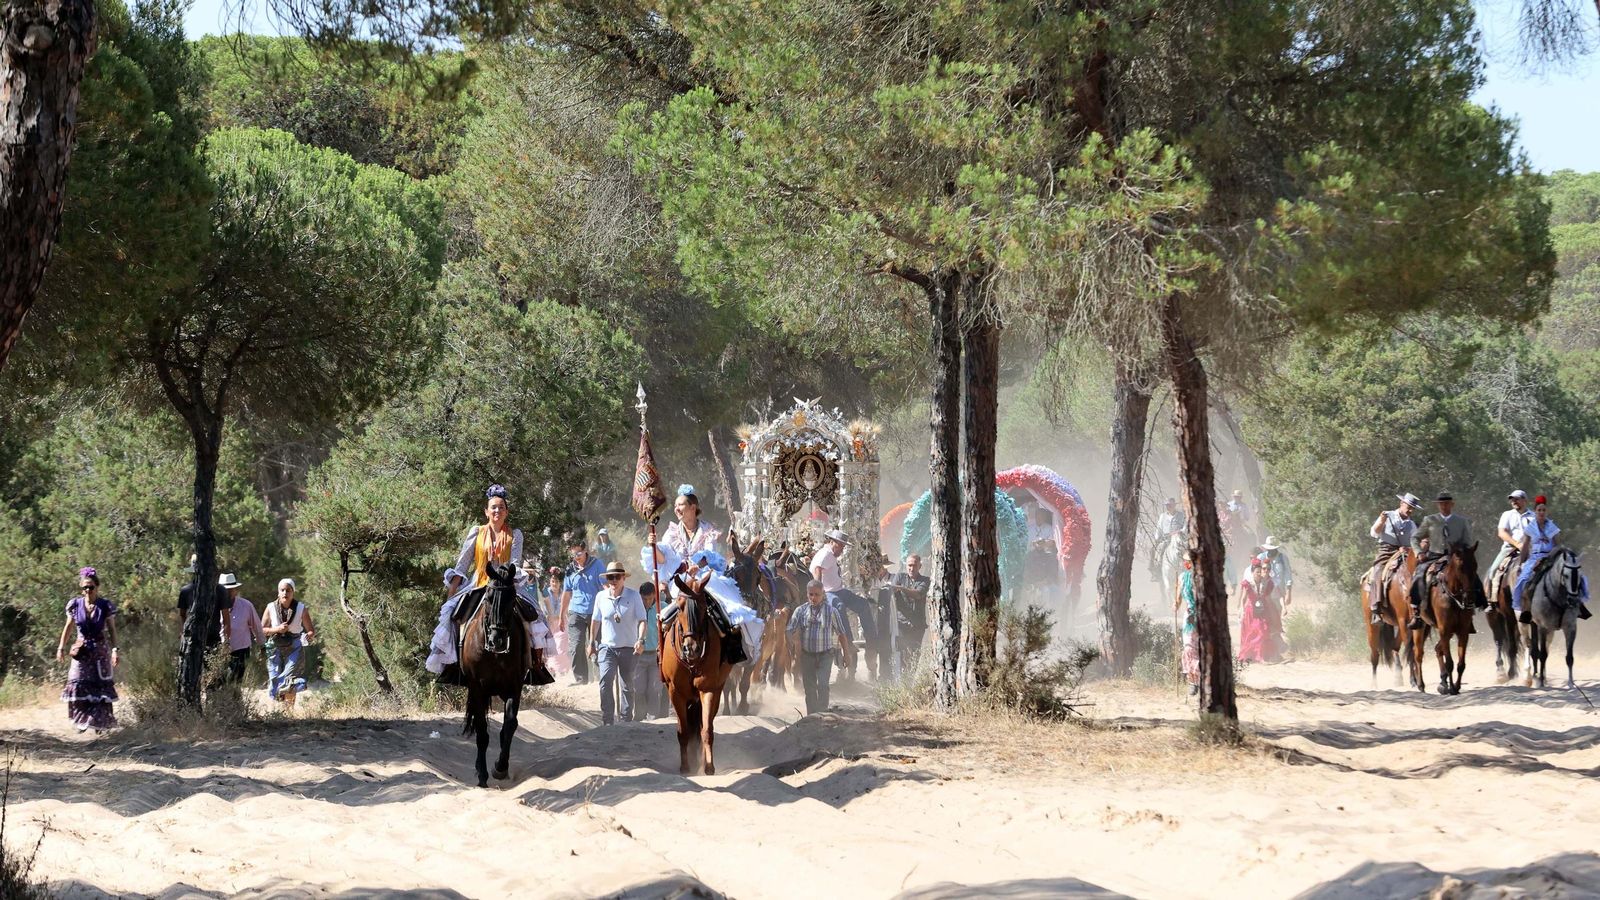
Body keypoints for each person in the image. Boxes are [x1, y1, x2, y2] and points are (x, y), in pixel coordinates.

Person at [427, 485, 526, 684]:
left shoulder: (515, 534)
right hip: (479, 584)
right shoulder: (477, 532)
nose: (497, 511)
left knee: (531, 616)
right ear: (486, 511)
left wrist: (510, 582)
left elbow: (515, 564)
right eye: (493, 507)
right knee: (453, 616)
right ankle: (453, 665)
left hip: (506, 586)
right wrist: (452, 593)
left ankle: (534, 664)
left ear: (506, 512)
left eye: (501, 507)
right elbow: (463, 564)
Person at [810, 529, 878, 679]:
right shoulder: (826, 554)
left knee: (863, 604)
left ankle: (871, 639)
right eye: (839, 545)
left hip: (838, 591)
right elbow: (817, 569)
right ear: (831, 542)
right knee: (839, 605)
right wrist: (818, 592)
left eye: (843, 546)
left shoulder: (829, 554)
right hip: (828, 593)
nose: (841, 549)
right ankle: (849, 642)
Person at [57, 567, 118, 732]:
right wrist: (61, 647)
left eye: (91, 587)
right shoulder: (75, 605)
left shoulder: (105, 605)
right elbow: (68, 627)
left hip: (100, 652)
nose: (88, 590)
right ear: (81, 589)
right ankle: (82, 721)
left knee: (100, 687)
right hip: (82, 652)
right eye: (85, 587)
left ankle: (99, 723)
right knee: (78, 682)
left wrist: (115, 650)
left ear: (97, 587)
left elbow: (112, 630)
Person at [1512, 496, 1591, 623]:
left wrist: (1554, 557)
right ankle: (1526, 609)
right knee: (1523, 579)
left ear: (1547, 511)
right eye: (1539, 510)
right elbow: (1525, 548)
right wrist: (1520, 565)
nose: (1541, 512)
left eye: (1544, 510)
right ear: (1535, 511)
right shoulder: (1530, 528)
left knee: (1574, 575)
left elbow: (1558, 546)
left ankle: (1579, 605)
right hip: (1535, 558)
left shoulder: (1552, 527)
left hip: (1551, 556)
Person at [589, 561, 647, 725]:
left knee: (627, 684)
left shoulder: (633, 596)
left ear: (623, 578)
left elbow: (642, 620)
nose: (613, 580)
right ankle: (607, 719)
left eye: (617, 577)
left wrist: (640, 640)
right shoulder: (601, 596)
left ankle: (625, 720)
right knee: (605, 680)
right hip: (607, 647)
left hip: (629, 647)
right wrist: (591, 642)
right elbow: (595, 621)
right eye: (610, 577)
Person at [1409, 492, 1476, 631]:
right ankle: (1416, 612)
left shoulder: (1462, 521)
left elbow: (1468, 541)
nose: (1444, 506)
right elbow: (1415, 538)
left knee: (1471, 575)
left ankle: (1476, 607)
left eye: (1447, 503)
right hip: (1435, 555)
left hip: (1456, 557)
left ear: (1452, 504)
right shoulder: (1429, 520)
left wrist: (1461, 552)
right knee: (1419, 574)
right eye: (1441, 504)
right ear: (1438, 505)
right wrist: (1419, 552)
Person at [786, 580, 852, 714]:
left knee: (822, 684)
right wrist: (792, 647)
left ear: (823, 594)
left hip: (825, 655)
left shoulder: (831, 611)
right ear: (807, 594)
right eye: (811, 594)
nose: (813, 598)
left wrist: (846, 654)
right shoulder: (800, 611)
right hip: (807, 655)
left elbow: (841, 633)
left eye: (817, 594)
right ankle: (812, 716)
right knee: (809, 688)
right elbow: (789, 630)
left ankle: (822, 714)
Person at [263, 578, 316, 711]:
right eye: (282, 590)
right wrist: (277, 629)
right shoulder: (270, 607)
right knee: (274, 678)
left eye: (288, 590)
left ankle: (288, 711)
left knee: (290, 678)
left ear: (293, 592)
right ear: (278, 592)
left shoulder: (301, 608)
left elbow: (310, 630)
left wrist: (308, 636)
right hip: (274, 646)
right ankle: (277, 710)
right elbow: (262, 629)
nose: (285, 593)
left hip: (294, 645)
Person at [1367, 493, 1420, 625]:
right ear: (1401, 504)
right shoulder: (1387, 515)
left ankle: (1420, 608)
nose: (1410, 510)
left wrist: (1408, 549)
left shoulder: (1412, 524)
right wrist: (1381, 521)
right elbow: (1374, 532)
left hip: (1405, 553)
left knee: (1418, 571)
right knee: (1378, 571)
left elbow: (1414, 542)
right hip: (1386, 551)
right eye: (1408, 507)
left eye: (1412, 508)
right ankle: (1376, 607)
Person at [560, 535, 606, 685]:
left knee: (599, 644)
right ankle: (581, 679)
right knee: (576, 646)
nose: (576, 557)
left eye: (579, 553)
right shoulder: (569, 569)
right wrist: (561, 616)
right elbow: (567, 592)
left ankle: (602, 677)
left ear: (585, 551)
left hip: (596, 612)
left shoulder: (597, 564)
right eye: (573, 554)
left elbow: (605, 586)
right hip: (576, 612)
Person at [218, 573, 264, 684]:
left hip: (240, 650)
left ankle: (235, 695)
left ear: (236, 590)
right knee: (219, 681)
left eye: (230, 590)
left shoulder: (246, 605)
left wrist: (262, 646)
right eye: (224, 590)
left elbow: (257, 626)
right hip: (218, 650)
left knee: (235, 681)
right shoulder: (212, 606)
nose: (228, 593)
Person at [1237, 557, 1283, 664]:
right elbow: (1243, 598)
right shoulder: (1247, 583)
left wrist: (1272, 610)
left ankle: (1261, 656)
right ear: (1252, 572)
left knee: (1263, 631)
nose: (1258, 574)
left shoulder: (1266, 583)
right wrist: (1241, 609)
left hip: (1262, 611)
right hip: (1251, 612)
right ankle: (1254, 656)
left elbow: (1268, 597)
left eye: (1260, 571)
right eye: (1256, 572)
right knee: (1253, 633)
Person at [1488, 490, 1532, 600]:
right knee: (1493, 570)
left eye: (1517, 499)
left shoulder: (1534, 516)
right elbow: (1502, 532)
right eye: (1512, 499)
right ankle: (1491, 601)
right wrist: (1517, 544)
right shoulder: (1507, 515)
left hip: (1531, 550)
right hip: (1510, 550)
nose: (1514, 501)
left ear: (1524, 500)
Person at [892, 554, 931, 669]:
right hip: (901, 624)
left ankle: (911, 678)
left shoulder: (925, 580)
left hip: (917, 625)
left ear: (920, 566)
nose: (911, 568)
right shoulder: (900, 577)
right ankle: (900, 677)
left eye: (914, 565)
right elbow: (892, 591)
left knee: (914, 655)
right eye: (909, 565)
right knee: (900, 653)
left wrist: (901, 588)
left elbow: (918, 594)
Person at [175, 554, 221, 649]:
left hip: (212, 638)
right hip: (193, 637)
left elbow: (182, 614)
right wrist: (185, 631)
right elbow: (182, 614)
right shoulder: (185, 591)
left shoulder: (218, 590)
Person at [635, 581, 666, 719]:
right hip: (638, 655)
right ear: (640, 596)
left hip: (656, 655)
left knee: (654, 688)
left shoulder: (663, 608)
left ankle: (653, 718)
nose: (647, 602)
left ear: (655, 595)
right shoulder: (635, 608)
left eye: (650, 598)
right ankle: (639, 716)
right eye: (644, 599)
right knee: (638, 688)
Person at [664, 485, 721, 559]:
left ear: (693, 507)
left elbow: (710, 558)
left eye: (680, 505)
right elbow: (664, 558)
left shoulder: (707, 531)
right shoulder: (672, 534)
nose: (676, 509)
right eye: (675, 506)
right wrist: (655, 547)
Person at [1173, 554, 1199, 695]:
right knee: (1189, 648)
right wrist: (1175, 605)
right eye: (1187, 562)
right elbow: (1178, 599)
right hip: (1190, 617)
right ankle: (1192, 682)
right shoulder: (1183, 578)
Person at [1150, 497, 1187, 581]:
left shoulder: (1181, 515)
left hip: (1178, 538)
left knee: (1187, 551)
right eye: (1167, 505)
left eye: (1169, 505)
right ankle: (1155, 571)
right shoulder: (1162, 516)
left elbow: (1185, 527)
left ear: (1174, 505)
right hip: (1165, 538)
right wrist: (1157, 538)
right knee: (1154, 550)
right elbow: (1159, 528)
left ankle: (1190, 569)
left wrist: (1178, 532)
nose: (1168, 507)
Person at [1256, 538, 1293, 609]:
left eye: (1272, 549)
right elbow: (1255, 573)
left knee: (1277, 612)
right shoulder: (1261, 557)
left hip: (1279, 593)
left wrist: (1288, 593)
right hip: (1264, 592)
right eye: (1268, 549)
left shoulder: (1283, 558)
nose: (1270, 551)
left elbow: (1288, 575)